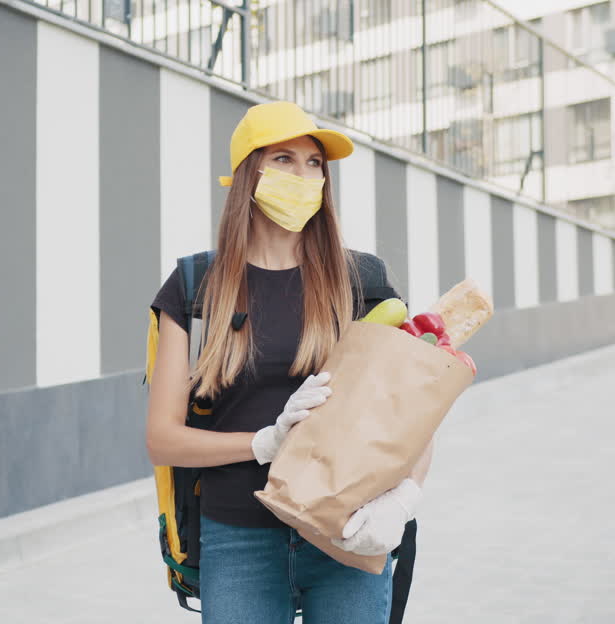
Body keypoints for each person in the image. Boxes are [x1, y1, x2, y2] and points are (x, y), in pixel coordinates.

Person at [146, 101, 433, 624]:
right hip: (238, 539)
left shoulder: (361, 282)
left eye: (314, 163)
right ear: (246, 175)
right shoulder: (194, 286)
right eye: (283, 159)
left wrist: (403, 500)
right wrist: (264, 443)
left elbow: (413, 413)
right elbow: (162, 439)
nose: (303, 175)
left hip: (344, 528)